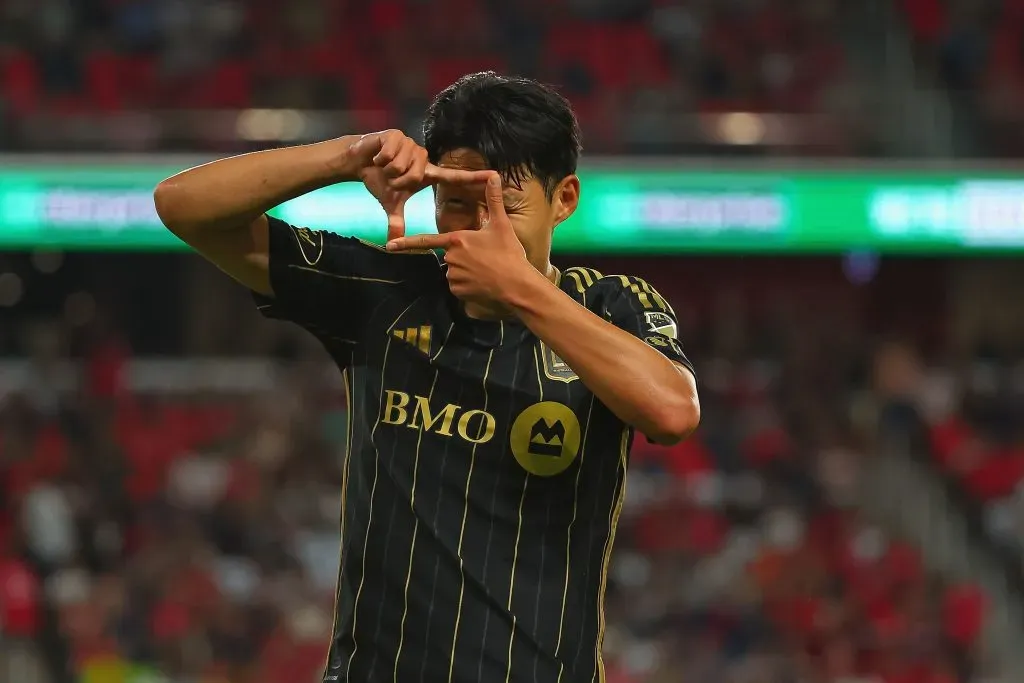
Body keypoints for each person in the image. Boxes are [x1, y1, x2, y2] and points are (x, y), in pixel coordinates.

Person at [154, 72, 700, 683]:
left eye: (503, 205)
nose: (473, 229)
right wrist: (346, 156)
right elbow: (182, 206)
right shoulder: (387, 292)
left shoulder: (611, 306)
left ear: (564, 199)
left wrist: (519, 289)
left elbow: (672, 412)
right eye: (455, 200)